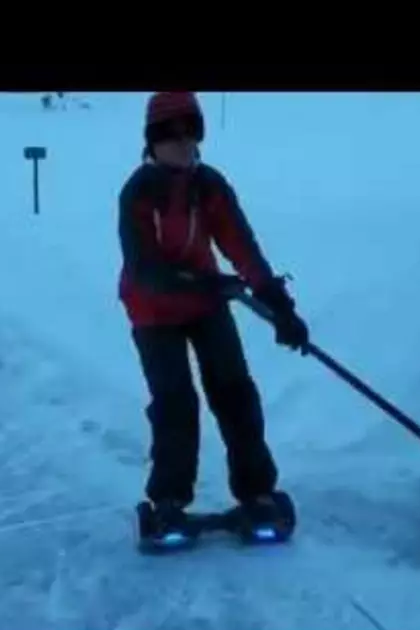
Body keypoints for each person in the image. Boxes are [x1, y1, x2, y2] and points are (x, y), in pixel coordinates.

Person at [117, 91, 310, 542]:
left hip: (206, 304)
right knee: (176, 403)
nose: (183, 143)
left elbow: (240, 244)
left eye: (191, 131)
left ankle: (257, 492)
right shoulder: (139, 193)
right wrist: (205, 283)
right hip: (152, 309)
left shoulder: (209, 186)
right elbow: (145, 269)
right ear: (152, 141)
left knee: (235, 392)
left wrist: (279, 304)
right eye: (170, 134)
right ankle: (168, 501)